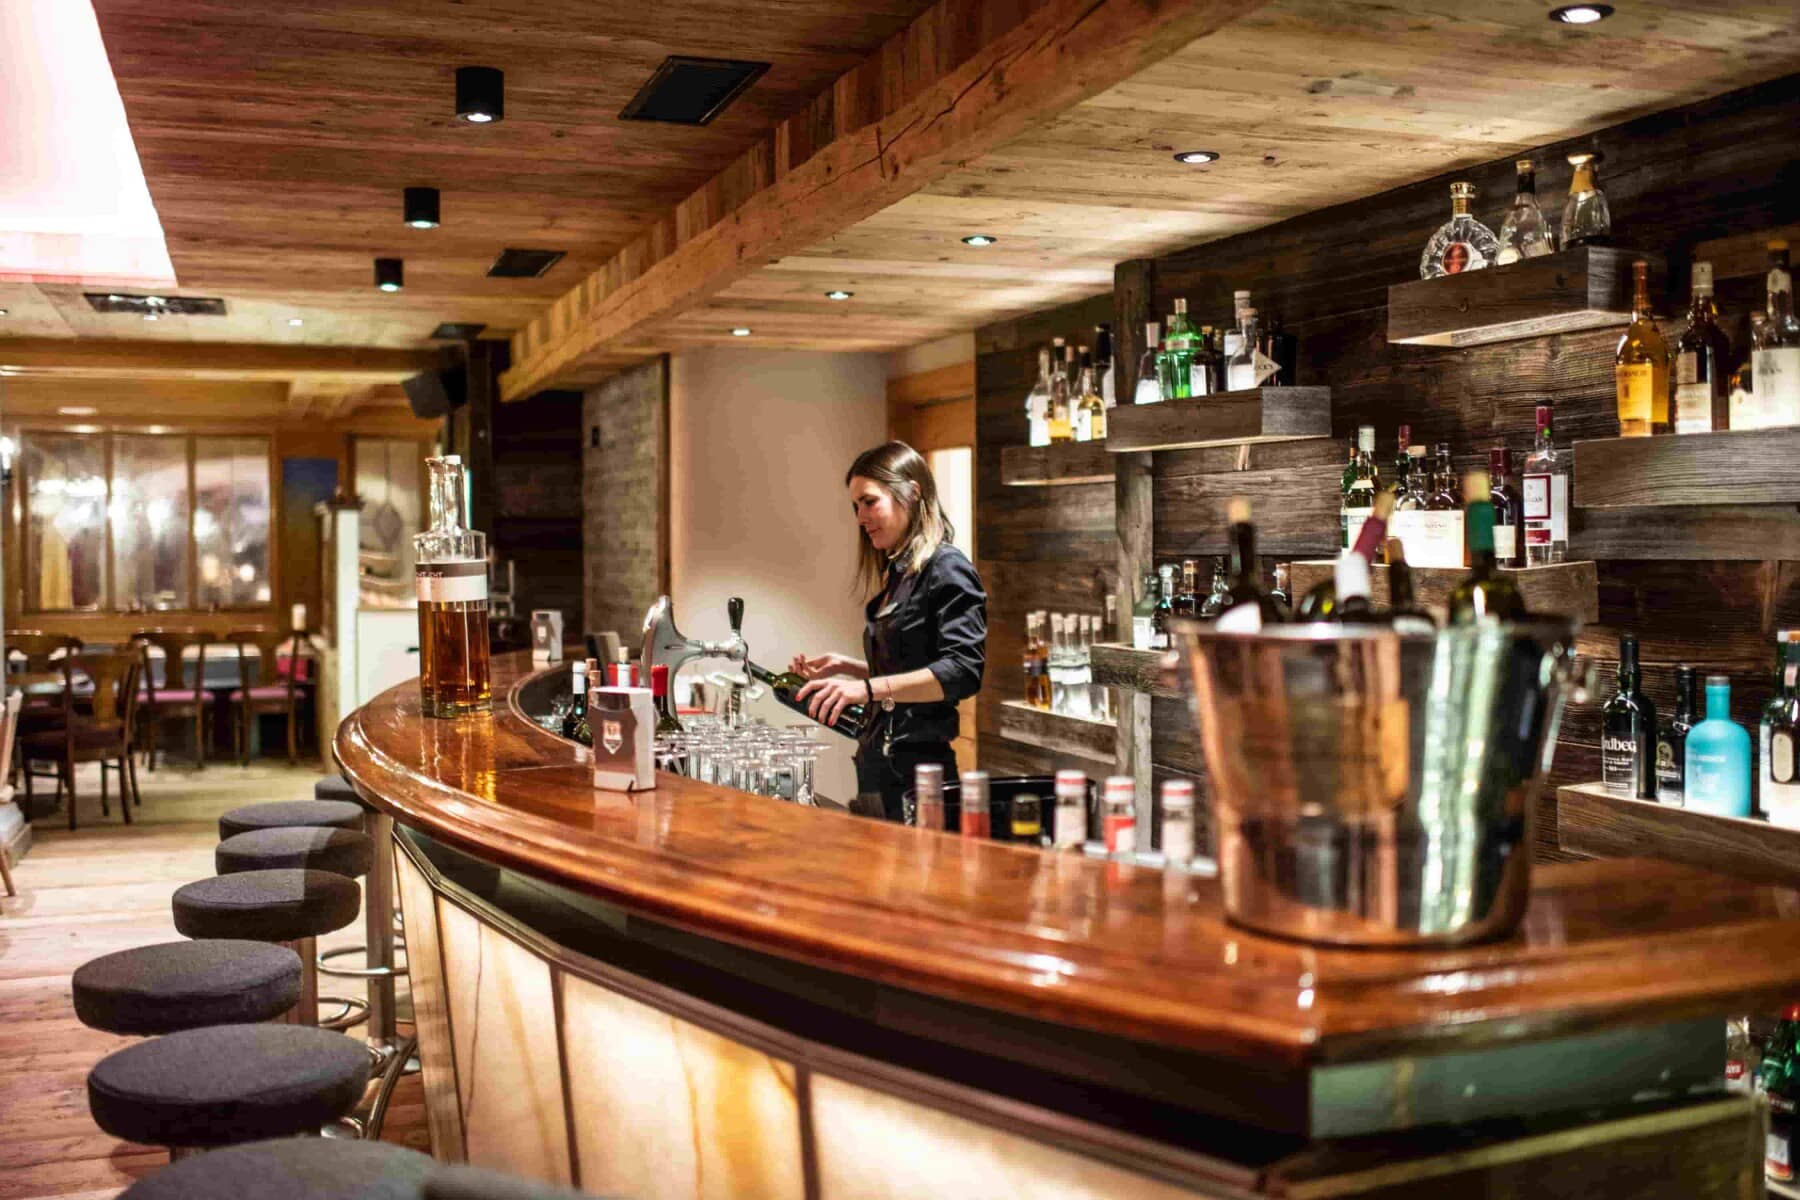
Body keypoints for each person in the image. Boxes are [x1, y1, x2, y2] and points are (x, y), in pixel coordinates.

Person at [793, 442, 986, 822]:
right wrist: (850, 669)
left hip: (918, 774)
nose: (860, 517)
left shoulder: (947, 568)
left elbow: (962, 671)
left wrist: (866, 689)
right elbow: (918, 662)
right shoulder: (900, 571)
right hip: (877, 766)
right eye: (856, 506)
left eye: (869, 502)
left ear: (912, 493)